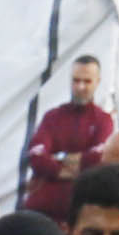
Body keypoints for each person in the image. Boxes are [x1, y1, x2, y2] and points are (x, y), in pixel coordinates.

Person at [20, 52, 112, 219]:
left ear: (97, 82)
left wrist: (57, 159)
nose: (80, 87)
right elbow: (36, 157)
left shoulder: (103, 121)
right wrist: (76, 167)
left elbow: (99, 159)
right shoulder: (52, 116)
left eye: (87, 81)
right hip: (39, 212)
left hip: (79, 215)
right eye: (76, 80)